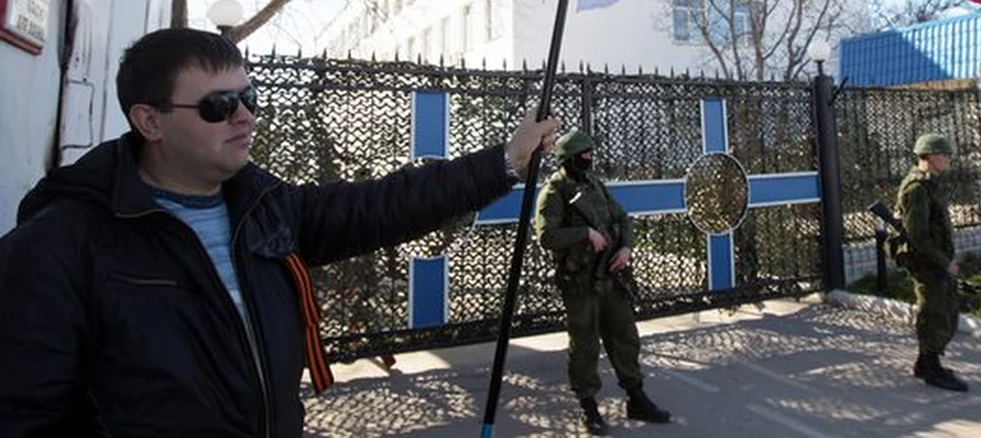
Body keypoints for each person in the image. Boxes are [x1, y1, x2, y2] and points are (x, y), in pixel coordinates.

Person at [0, 28, 559, 436]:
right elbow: (26, 416)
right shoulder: (59, 247)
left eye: (250, 98)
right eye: (220, 106)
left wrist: (505, 161)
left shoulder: (266, 209)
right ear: (150, 122)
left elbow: (383, 205)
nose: (245, 116)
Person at [534, 130, 670, 435]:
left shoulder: (595, 185)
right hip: (581, 283)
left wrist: (626, 248)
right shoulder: (554, 193)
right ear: (568, 159)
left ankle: (636, 397)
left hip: (611, 275)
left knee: (625, 337)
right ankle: (589, 407)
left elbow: (622, 218)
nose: (589, 158)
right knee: (584, 346)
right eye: (583, 154)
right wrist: (585, 234)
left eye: (590, 153)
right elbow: (547, 237)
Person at [893, 133, 969, 392]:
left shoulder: (930, 183)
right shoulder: (917, 187)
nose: (948, 159)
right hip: (926, 261)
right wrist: (943, 262)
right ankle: (932, 368)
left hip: (935, 258)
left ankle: (924, 363)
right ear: (929, 156)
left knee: (943, 308)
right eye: (944, 154)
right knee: (934, 311)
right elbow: (918, 236)